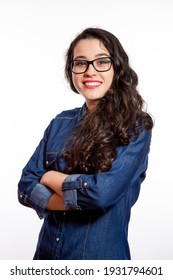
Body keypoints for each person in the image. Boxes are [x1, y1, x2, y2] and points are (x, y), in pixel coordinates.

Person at [18, 27, 154, 260]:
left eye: (102, 62)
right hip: (46, 259)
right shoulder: (60, 122)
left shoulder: (135, 126)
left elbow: (101, 194)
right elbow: (25, 187)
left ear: (117, 67)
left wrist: (49, 178)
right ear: (71, 70)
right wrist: (80, 195)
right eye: (80, 63)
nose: (90, 71)